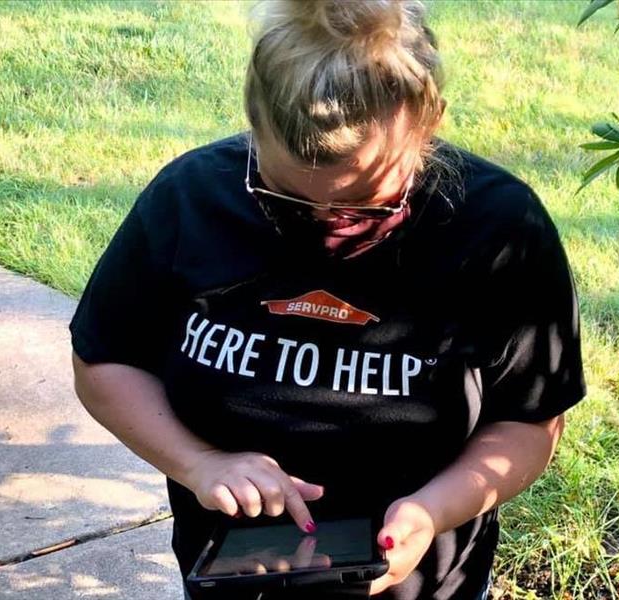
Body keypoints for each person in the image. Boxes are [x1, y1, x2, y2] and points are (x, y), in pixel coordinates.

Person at [69, 1, 587, 599]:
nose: (324, 225)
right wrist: (199, 463)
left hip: (425, 584)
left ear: (429, 121)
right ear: (253, 122)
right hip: (233, 574)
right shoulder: (189, 200)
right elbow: (104, 360)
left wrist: (431, 512)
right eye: (282, 197)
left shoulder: (499, 232)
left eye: (367, 202)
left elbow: (530, 420)